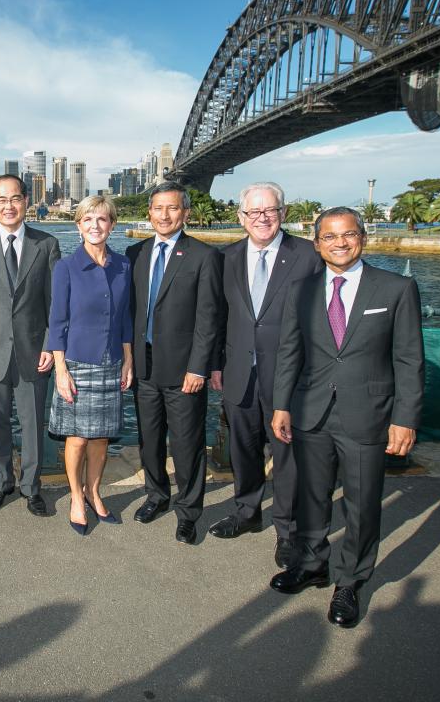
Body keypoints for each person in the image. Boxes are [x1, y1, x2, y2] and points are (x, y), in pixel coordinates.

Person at [269, 206, 424, 628]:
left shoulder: (395, 289)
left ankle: (350, 581)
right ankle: (312, 563)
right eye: (330, 236)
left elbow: (409, 360)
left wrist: (404, 418)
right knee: (311, 496)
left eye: (348, 235)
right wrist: (281, 405)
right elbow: (289, 352)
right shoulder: (299, 290)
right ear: (317, 243)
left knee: (362, 503)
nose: (340, 243)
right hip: (309, 409)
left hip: (368, 414)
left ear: (363, 238)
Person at [208, 183, 322, 566]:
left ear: (283, 213)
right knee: (243, 447)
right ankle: (246, 512)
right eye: (253, 212)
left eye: (269, 210)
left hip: (289, 373)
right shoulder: (226, 257)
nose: (262, 218)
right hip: (238, 369)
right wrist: (216, 365)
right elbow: (219, 317)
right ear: (241, 217)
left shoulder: (308, 255)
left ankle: (287, 529)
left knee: (286, 452)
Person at [126, 182, 223, 545]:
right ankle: (157, 496)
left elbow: (208, 318)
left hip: (185, 370)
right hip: (143, 366)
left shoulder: (203, 256)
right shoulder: (135, 253)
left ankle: (188, 512)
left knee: (186, 445)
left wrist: (199, 367)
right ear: (148, 212)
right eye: (157, 208)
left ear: (185, 213)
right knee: (149, 439)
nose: (164, 215)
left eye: (172, 208)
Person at [0, 175, 61, 517]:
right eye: (1, 200)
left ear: (26, 201)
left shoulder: (46, 245)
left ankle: (32, 488)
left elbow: (55, 304)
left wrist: (50, 344)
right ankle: (1, 482)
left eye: (15, 198)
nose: (8, 206)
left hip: (34, 350)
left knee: (32, 424)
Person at [46, 195, 133, 535]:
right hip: (77, 364)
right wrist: (60, 370)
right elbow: (57, 322)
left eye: (102, 219)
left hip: (112, 362)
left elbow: (125, 317)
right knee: (78, 439)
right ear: (78, 225)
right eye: (87, 219)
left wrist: (128, 361)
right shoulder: (66, 267)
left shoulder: (123, 266)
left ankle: (94, 492)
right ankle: (76, 498)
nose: (95, 226)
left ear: (112, 224)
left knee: (100, 438)